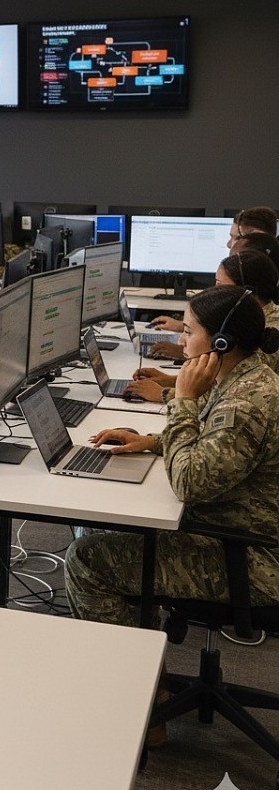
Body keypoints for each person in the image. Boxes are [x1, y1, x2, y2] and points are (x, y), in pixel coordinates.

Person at [65, 285, 279, 632]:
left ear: (221, 342)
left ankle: (137, 664)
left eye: (189, 332)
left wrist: (183, 401)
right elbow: (210, 438)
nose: (181, 340)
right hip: (229, 528)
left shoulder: (245, 405)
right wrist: (151, 441)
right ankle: (142, 631)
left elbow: (188, 483)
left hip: (249, 558)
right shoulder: (242, 376)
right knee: (98, 521)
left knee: (86, 560)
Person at [129, 251, 279, 401]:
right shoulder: (257, 321)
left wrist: (166, 394)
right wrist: (175, 381)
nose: (214, 290)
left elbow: (234, 391)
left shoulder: (267, 332)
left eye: (219, 284)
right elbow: (219, 386)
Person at [148, 230, 279, 359]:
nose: (213, 291)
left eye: (220, 285)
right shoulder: (248, 318)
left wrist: (189, 353)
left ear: (246, 292)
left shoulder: (271, 332)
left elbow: (239, 365)